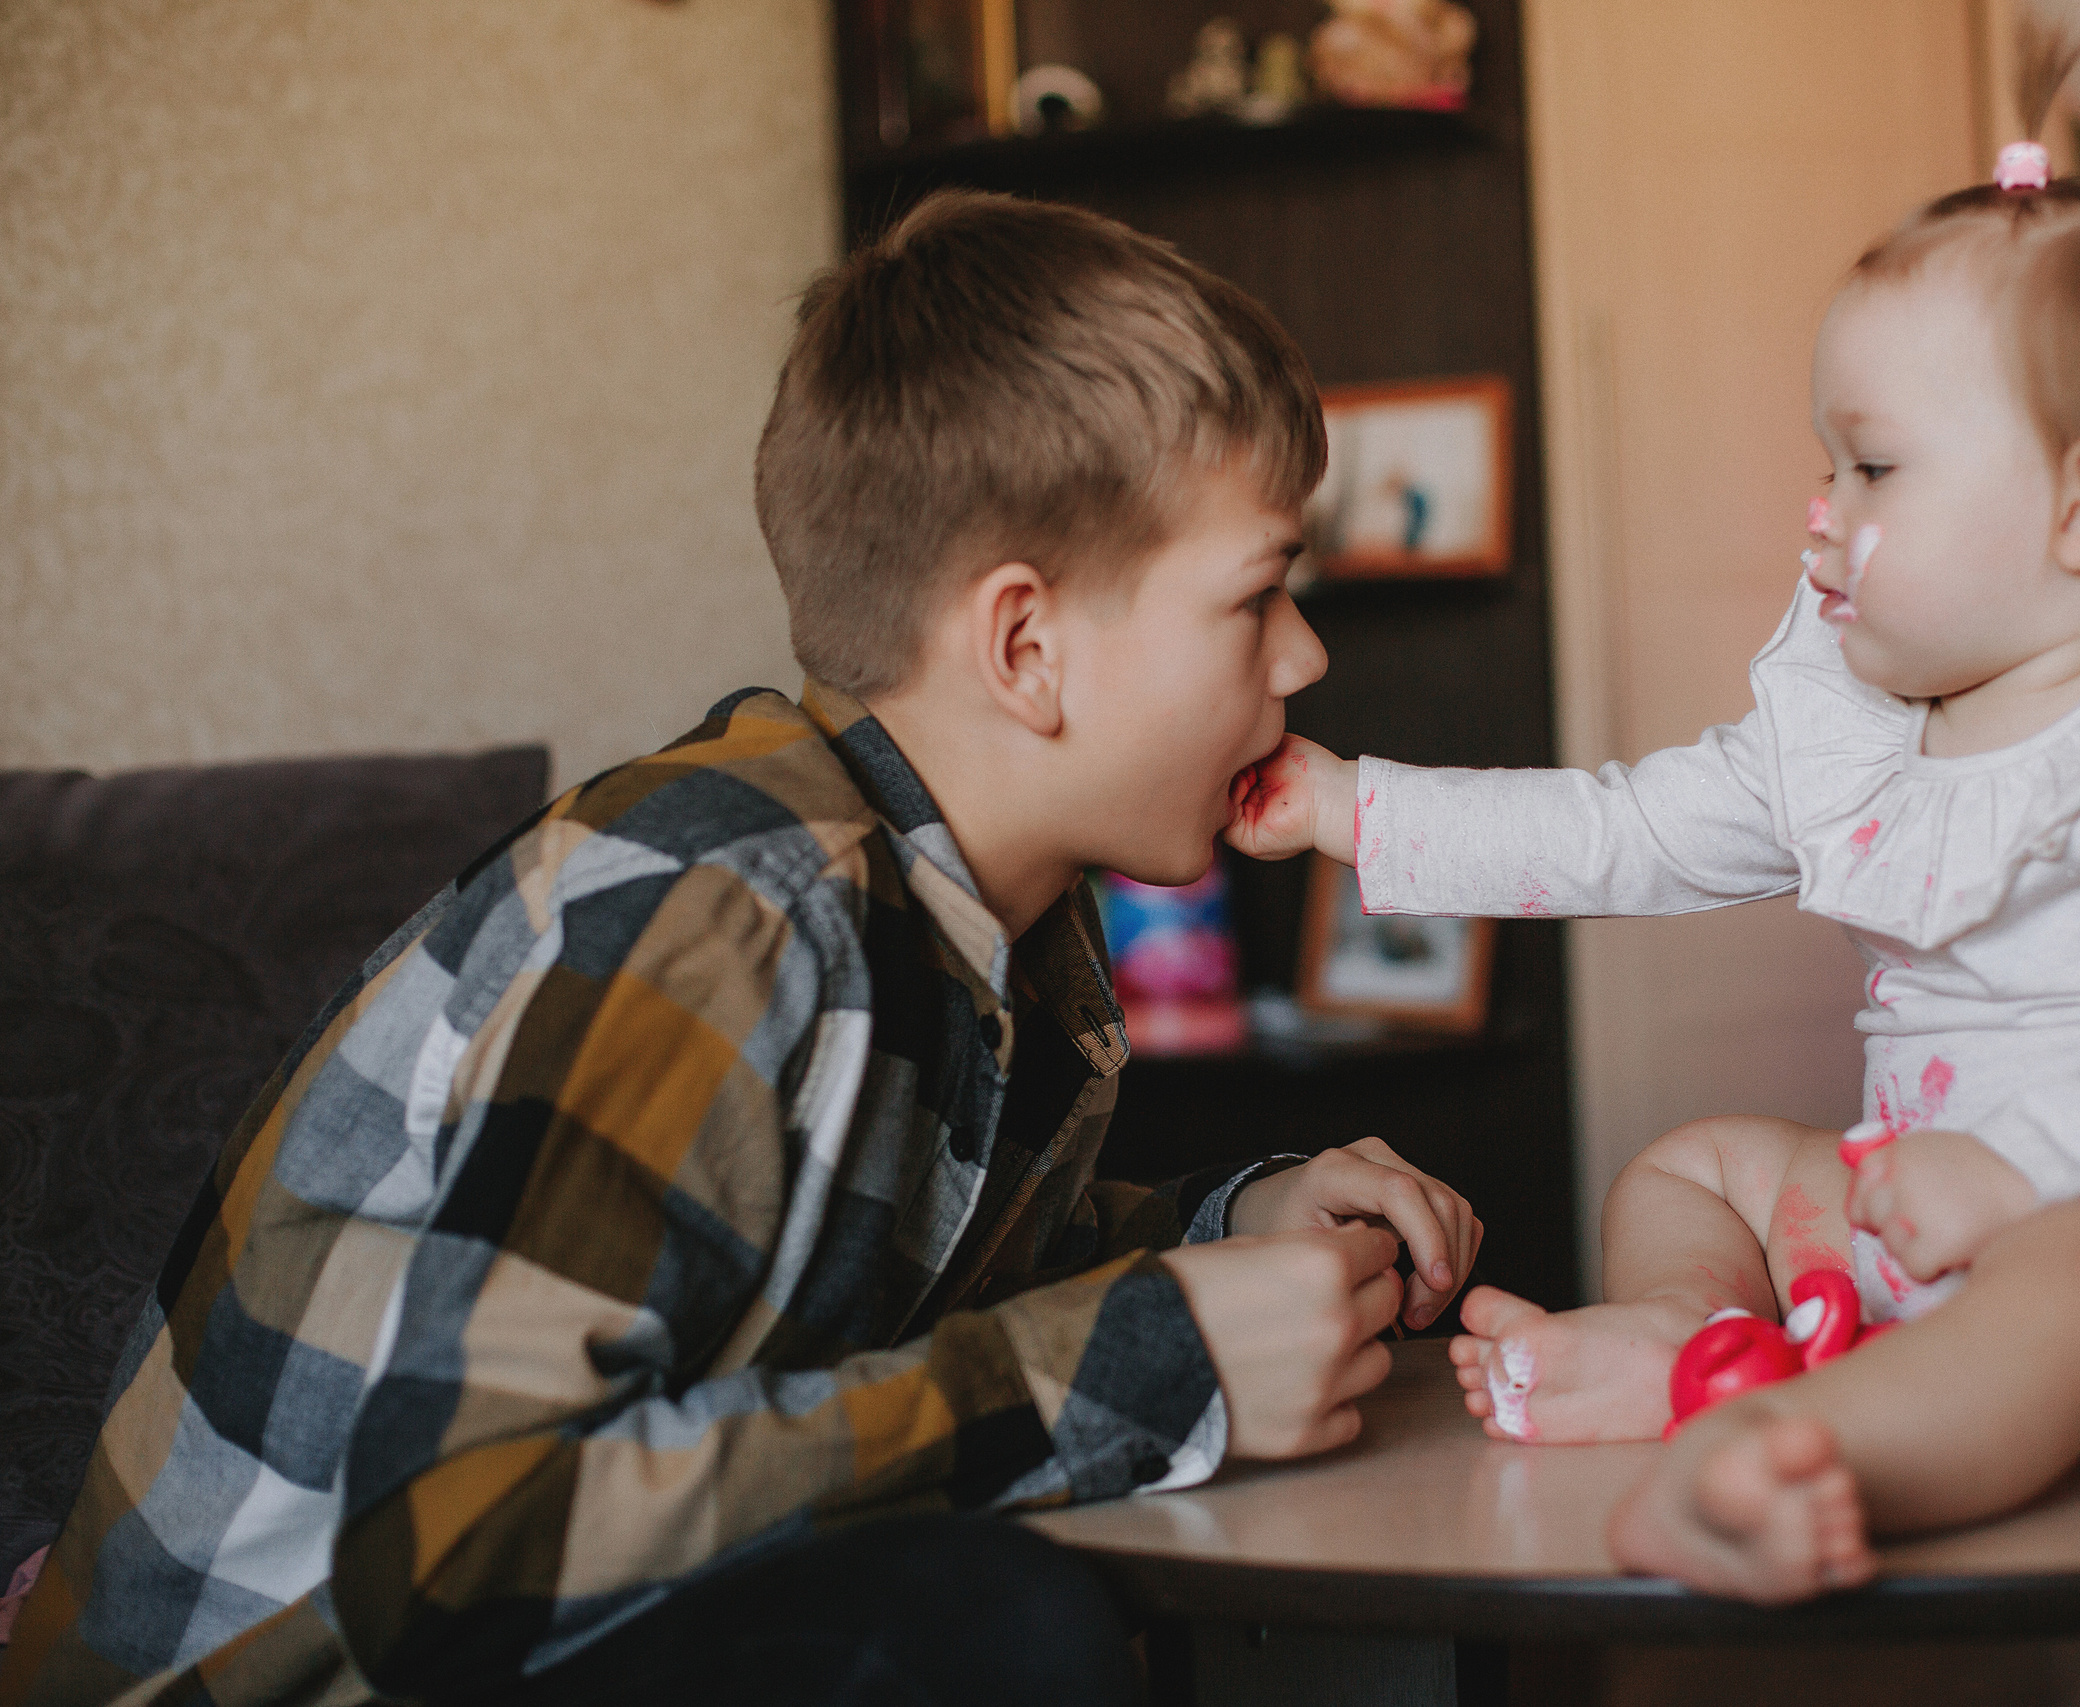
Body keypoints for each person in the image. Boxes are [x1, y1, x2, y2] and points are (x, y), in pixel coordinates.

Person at [0, 189, 1483, 1707]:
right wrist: (1147, 1368)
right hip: (323, 1670)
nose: (1303, 656)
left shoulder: (994, 925)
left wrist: (1228, 1229)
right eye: (1257, 596)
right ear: (1026, 649)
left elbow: (887, 1300)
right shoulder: (728, 915)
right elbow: (460, 1553)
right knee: (984, 1621)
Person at [1226, 58, 2080, 1603]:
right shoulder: (1860, 734)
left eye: (1875, 466)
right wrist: (1356, 808)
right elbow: (1620, 830)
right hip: (1912, 1213)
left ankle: (1815, 1455)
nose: (1821, 513)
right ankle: (1706, 1350)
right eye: (1831, 464)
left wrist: (2023, 1177)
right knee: (1692, 1168)